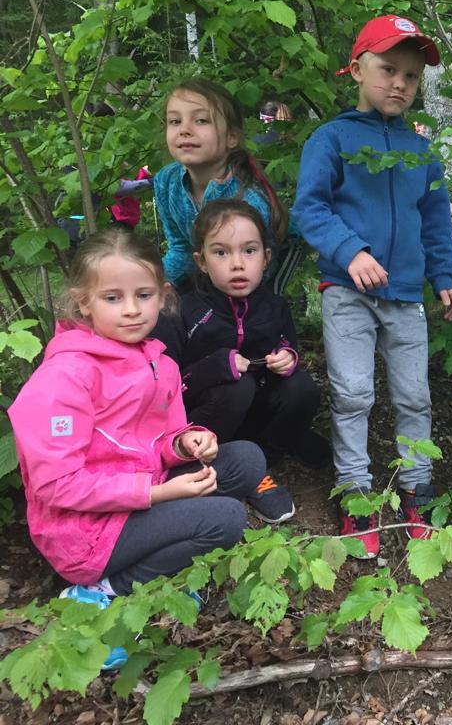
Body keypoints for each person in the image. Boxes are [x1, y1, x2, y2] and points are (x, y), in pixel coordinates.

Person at [7, 229, 294, 672]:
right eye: (112, 298)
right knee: (227, 519)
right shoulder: (64, 377)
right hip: (84, 529)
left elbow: (159, 439)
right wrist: (160, 494)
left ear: (162, 297)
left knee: (246, 459)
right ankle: (102, 589)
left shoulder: (156, 358)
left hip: (139, 492)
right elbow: (57, 485)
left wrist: (185, 442)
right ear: (84, 302)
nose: (131, 310)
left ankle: (162, 558)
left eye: (143, 295)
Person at [292, 14, 452, 558]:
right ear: (357, 70)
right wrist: (351, 251)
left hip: (407, 293)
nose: (399, 84)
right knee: (353, 393)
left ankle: (417, 486)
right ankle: (356, 491)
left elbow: (435, 218)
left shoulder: (421, 150)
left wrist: (444, 275)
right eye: (387, 69)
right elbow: (309, 209)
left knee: (414, 394)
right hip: (346, 291)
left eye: (411, 76)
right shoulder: (333, 138)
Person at [151, 199, 329, 477]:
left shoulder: (274, 306)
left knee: (302, 387)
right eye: (221, 253)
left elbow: (286, 344)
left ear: (266, 257)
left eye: (249, 251)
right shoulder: (182, 310)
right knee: (238, 386)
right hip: (202, 417)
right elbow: (165, 387)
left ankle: (268, 456)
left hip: (258, 409)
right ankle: (218, 461)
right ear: (202, 262)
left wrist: (286, 358)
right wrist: (218, 366)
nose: (237, 264)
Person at [154, 78, 304, 295]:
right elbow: (181, 248)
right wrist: (152, 287)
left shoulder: (247, 199)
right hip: (216, 265)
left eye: (201, 120)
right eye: (175, 121)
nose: (184, 130)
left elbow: (259, 267)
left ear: (231, 137)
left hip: (266, 264)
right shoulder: (166, 182)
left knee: (260, 314)